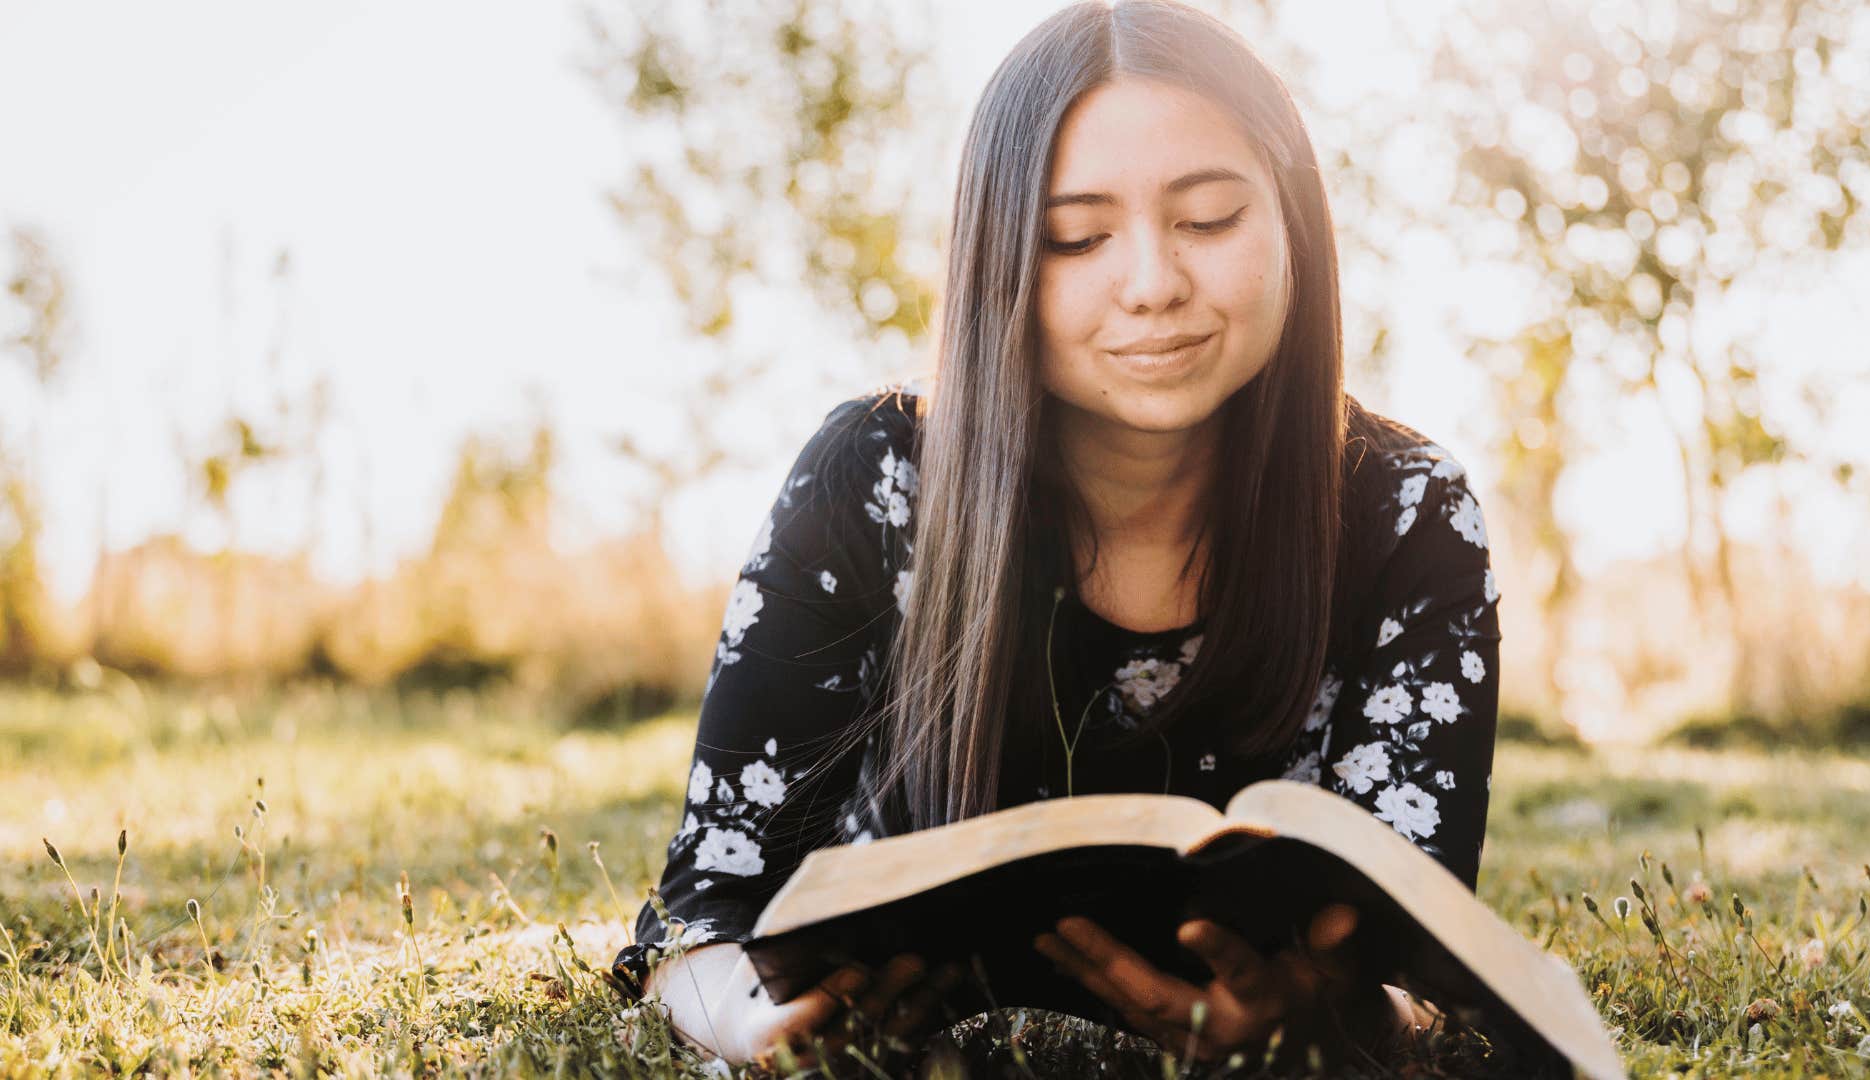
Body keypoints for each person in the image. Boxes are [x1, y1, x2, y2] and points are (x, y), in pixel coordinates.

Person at [608, 0, 1502, 1071]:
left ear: (1295, 224)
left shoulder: (1409, 514)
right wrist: (752, 1029)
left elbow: (1420, 964)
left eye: (1209, 219)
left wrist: (1325, 1027)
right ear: (1000, 262)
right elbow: (701, 916)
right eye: (1076, 237)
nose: (1151, 284)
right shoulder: (873, 481)